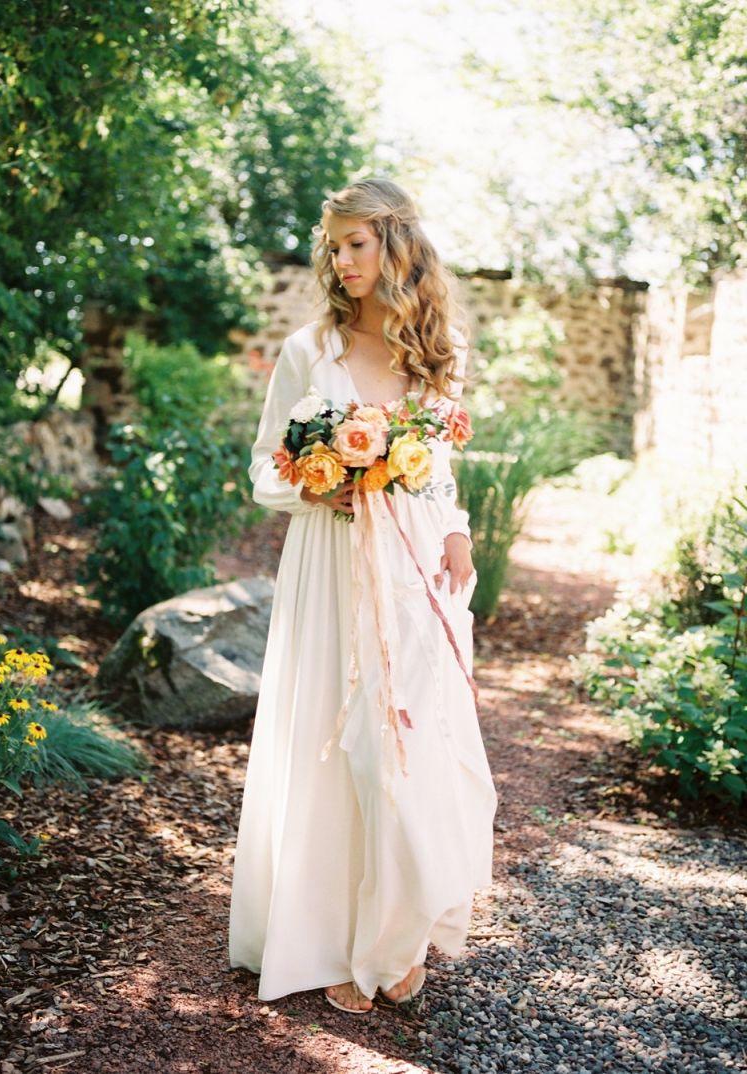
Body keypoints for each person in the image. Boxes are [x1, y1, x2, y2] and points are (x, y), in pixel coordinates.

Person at [228, 177, 497, 1013]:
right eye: (334, 245)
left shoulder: (436, 344)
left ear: (396, 247)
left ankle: (393, 936)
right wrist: (315, 486)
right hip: (330, 560)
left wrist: (455, 530)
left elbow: (440, 460)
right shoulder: (312, 350)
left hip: (415, 559)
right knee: (333, 737)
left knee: (402, 740)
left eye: (357, 244)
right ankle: (325, 935)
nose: (341, 260)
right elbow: (266, 463)